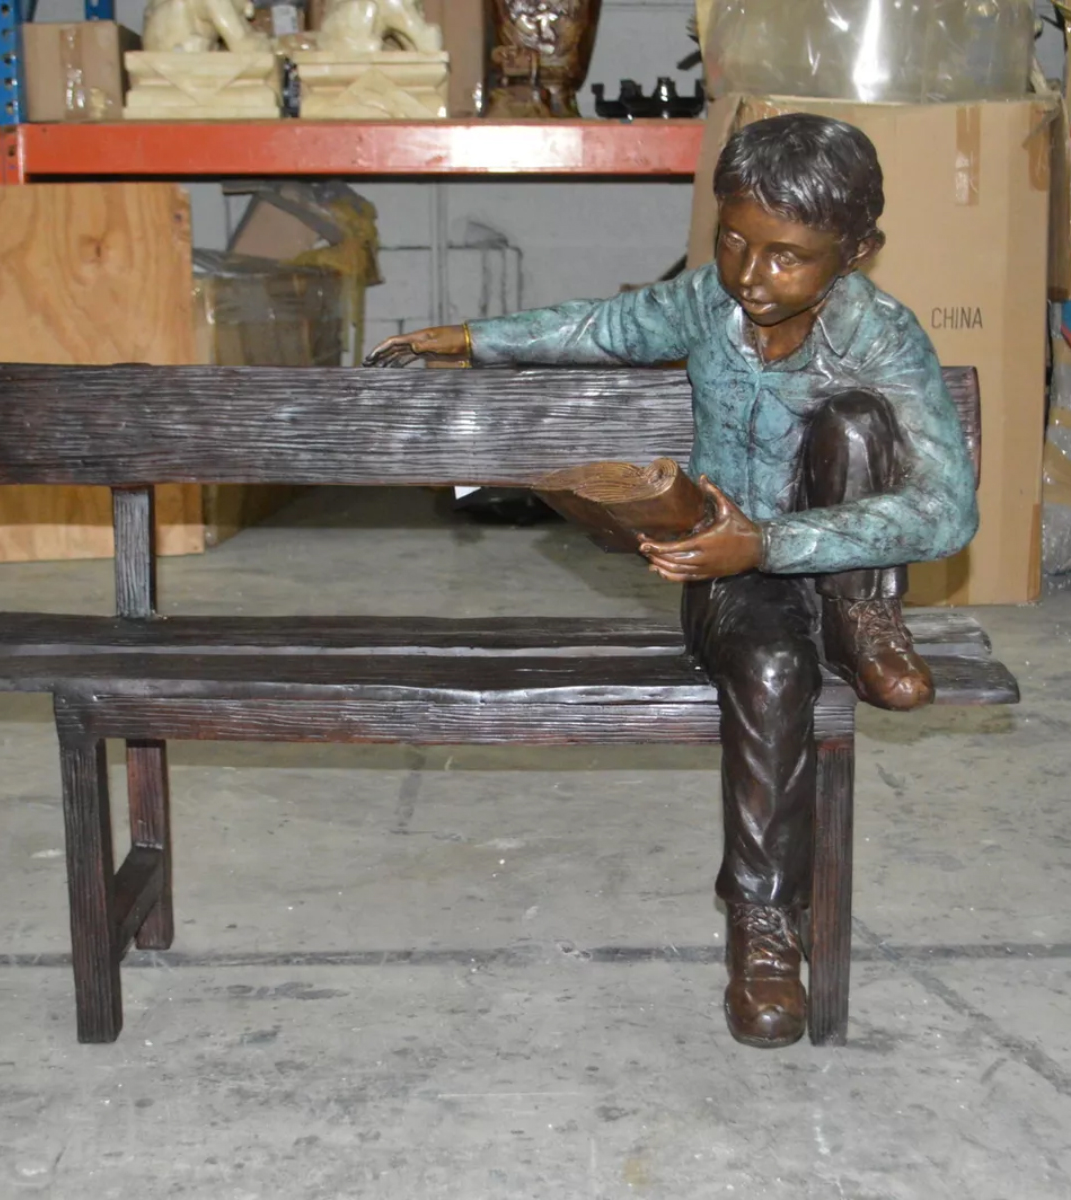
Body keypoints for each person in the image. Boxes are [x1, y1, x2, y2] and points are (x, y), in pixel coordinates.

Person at [365, 113, 978, 1048]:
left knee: (854, 425)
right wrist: (480, 339)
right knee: (775, 669)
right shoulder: (708, 305)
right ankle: (762, 930)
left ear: (858, 252)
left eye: (787, 257)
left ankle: (863, 616)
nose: (751, 275)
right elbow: (605, 326)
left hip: (802, 556)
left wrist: (769, 542)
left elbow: (947, 509)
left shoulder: (885, 338)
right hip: (733, 573)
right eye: (732, 241)